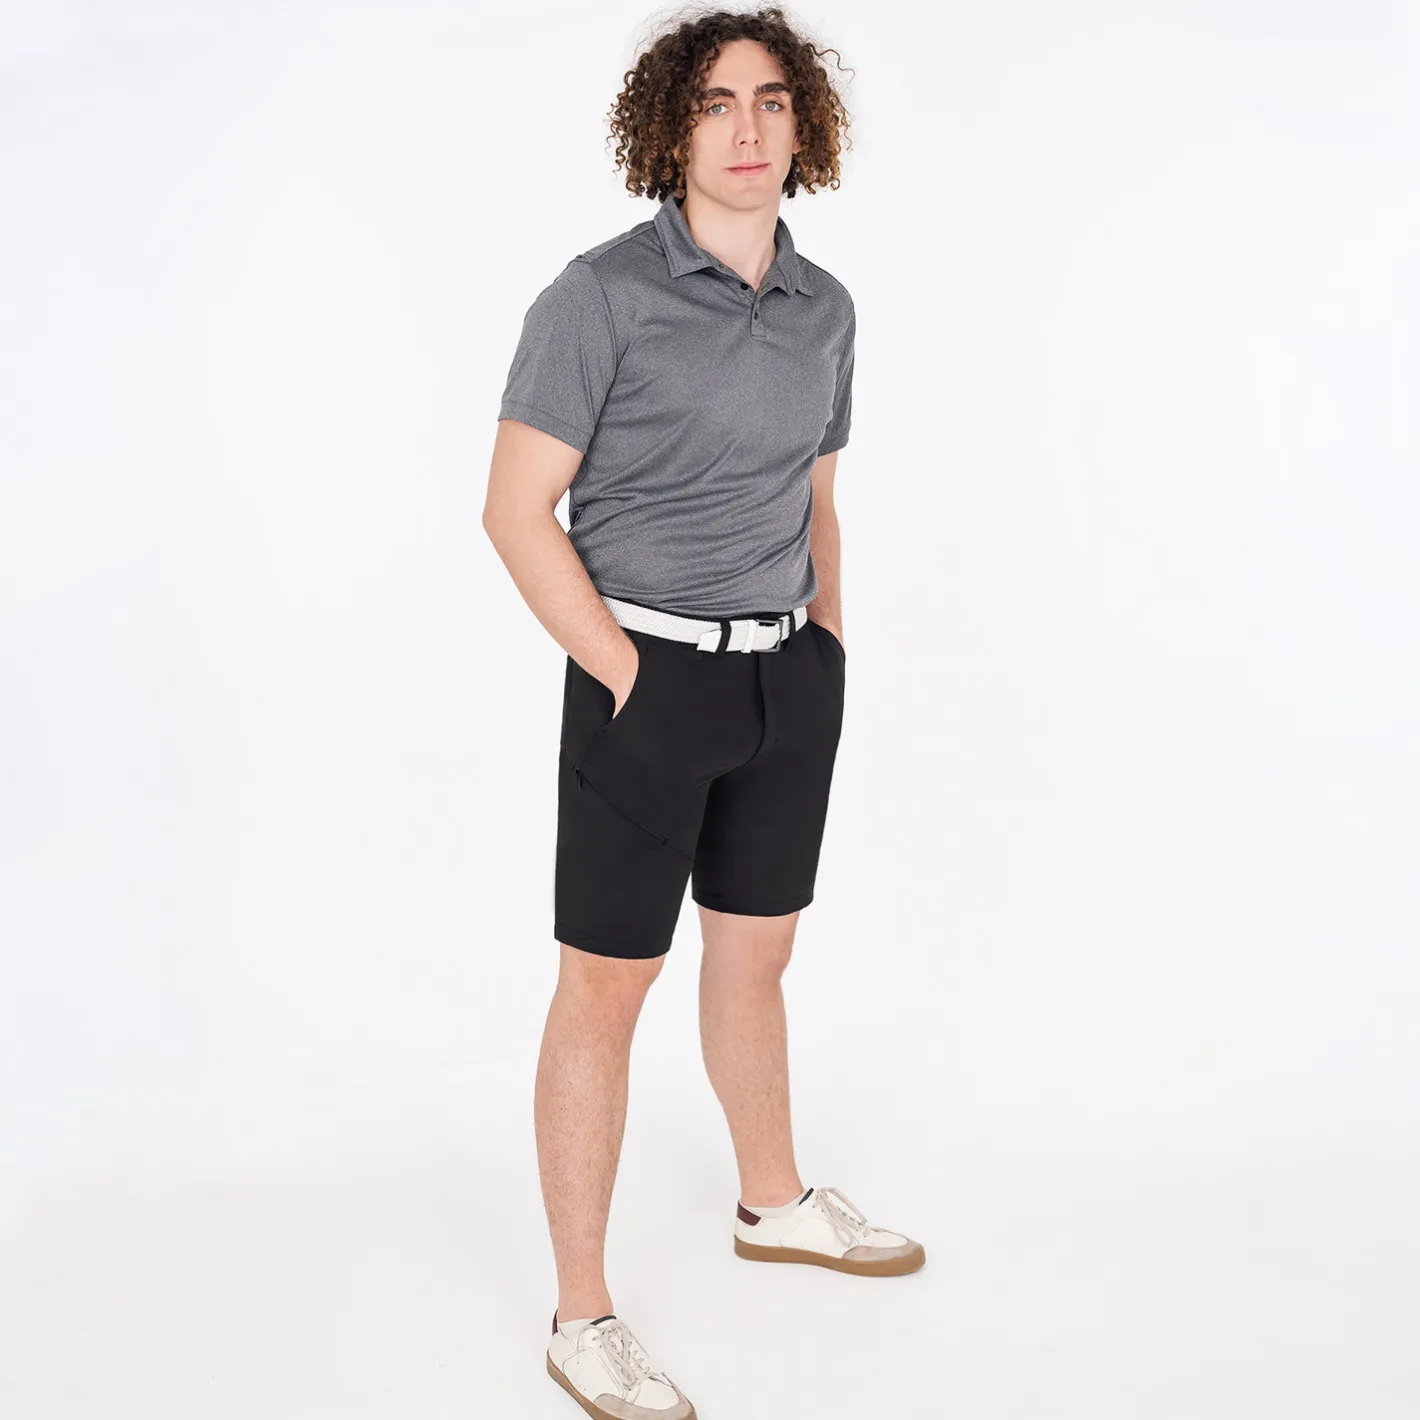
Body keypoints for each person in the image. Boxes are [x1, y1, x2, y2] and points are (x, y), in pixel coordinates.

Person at [483, 9, 924, 1417]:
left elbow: (817, 495)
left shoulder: (825, 308)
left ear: (805, 127)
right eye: (717, 102)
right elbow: (515, 510)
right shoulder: (598, 297)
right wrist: (623, 671)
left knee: (757, 958)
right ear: (670, 128)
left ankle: (771, 1202)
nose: (747, 128)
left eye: (772, 101)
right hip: (647, 681)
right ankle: (581, 1312)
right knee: (605, 989)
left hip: (785, 682)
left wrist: (825, 649)